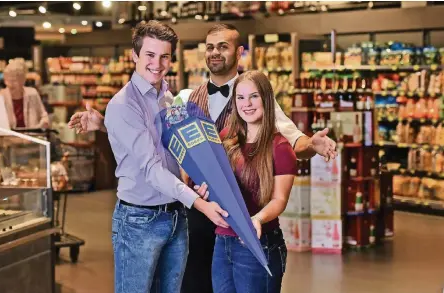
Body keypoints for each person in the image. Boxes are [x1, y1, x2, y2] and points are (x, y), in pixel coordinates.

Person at [68, 24, 337, 293]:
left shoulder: (254, 96)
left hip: (232, 214)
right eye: (210, 47)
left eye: (223, 46)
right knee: (194, 283)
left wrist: (313, 143)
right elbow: (151, 143)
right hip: (191, 211)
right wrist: (108, 123)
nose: (215, 52)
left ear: (239, 52)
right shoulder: (183, 98)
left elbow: (292, 138)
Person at [103, 20, 229, 293]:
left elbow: (176, 153)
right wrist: (199, 204)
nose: (157, 64)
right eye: (149, 55)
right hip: (139, 220)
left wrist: (195, 180)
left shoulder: (168, 98)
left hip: (175, 215)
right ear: (134, 55)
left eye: (164, 56)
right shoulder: (123, 105)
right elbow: (151, 168)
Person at [213, 70, 296, 293]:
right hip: (223, 241)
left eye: (254, 96)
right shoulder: (226, 138)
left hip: (259, 243)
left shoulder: (280, 147)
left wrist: (257, 219)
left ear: (266, 99)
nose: (246, 104)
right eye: (240, 98)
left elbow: (279, 199)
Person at [0, 58, 49, 129]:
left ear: (23, 80)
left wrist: (43, 123)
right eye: (7, 80)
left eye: (14, 81)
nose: (10, 84)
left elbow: (44, 116)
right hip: (8, 138)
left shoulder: (32, 93)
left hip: (31, 137)